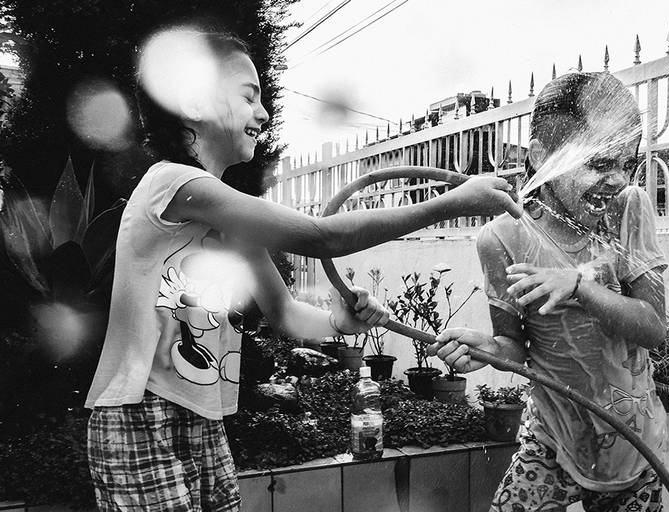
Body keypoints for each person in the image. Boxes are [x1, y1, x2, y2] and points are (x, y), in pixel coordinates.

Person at [84, 29, 520, 511]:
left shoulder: (223, 214)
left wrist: (340, 322)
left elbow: (284, 312)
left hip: (202, 418)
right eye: (248, 97)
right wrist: (451, 204)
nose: (264, 113)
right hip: (139, 412)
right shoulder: (174, 183)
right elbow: (322, 236)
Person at [427, 72, 668, 512]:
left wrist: (581, 285)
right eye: (598, 163)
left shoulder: (629, 208)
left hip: (633, 438)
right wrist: (488, 349)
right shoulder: (503, 238)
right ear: (542, 156)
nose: (616, 180)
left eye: (626, 163)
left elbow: (653, 329)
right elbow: (515, 346)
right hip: (553, 437)